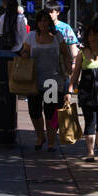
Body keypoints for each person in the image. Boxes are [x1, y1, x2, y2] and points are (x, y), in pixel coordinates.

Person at [19, 9, 72, 152]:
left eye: (45, 20)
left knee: (51, 112)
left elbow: (66, 54)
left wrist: (68, 69)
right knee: (34, 111)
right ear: (37, 22)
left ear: (49, 22)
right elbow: (24, 51)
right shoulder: (31, 36)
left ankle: (51, 141)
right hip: (34, 80)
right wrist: (23, 54)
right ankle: (40, 136)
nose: (43, 23)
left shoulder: (57, 36)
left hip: (52, 81)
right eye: (40, 20)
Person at [69, 22, 98, 162]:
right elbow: (76, 73)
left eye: (95, 34)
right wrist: (69, 91)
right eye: (90, 34)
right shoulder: (81, 53)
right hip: (87, 91)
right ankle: (90, 153)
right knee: (90, 121)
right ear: (86, 37)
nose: (92, 37)